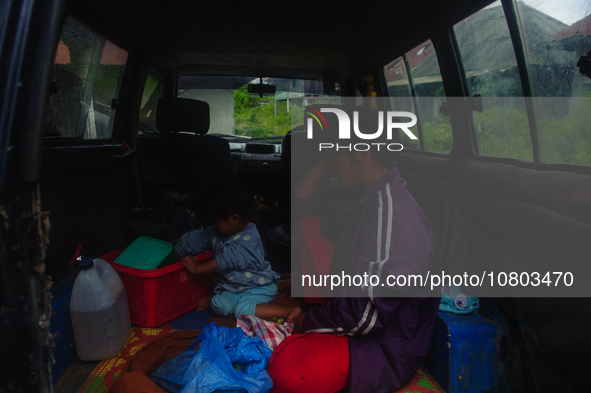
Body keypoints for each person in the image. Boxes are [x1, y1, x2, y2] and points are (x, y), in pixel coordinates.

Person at [268, 140, 440, 393]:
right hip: (356, 311)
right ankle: (324, 321)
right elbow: (301, 203)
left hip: (386, 342)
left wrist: (308, 321)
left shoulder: (391, 216)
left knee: (285, 373)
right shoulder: (359, 193)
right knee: (310, 224)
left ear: (363, 154)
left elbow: (366, 314)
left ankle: (322, 327)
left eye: (338, 155)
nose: (334, 163)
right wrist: (330, 158)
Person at [174, 181, 298, 320]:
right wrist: (178, 250)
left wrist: (196, 268)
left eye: (216, 223)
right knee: (220, 307)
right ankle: (216, 297)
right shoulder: (219, 231)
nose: (214, 226)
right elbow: (198, 237)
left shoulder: (249, 239)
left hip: (257, 286)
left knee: (242, 311)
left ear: (235, 219)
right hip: (232, 287)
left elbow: (224, 260)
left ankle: (287, 312)